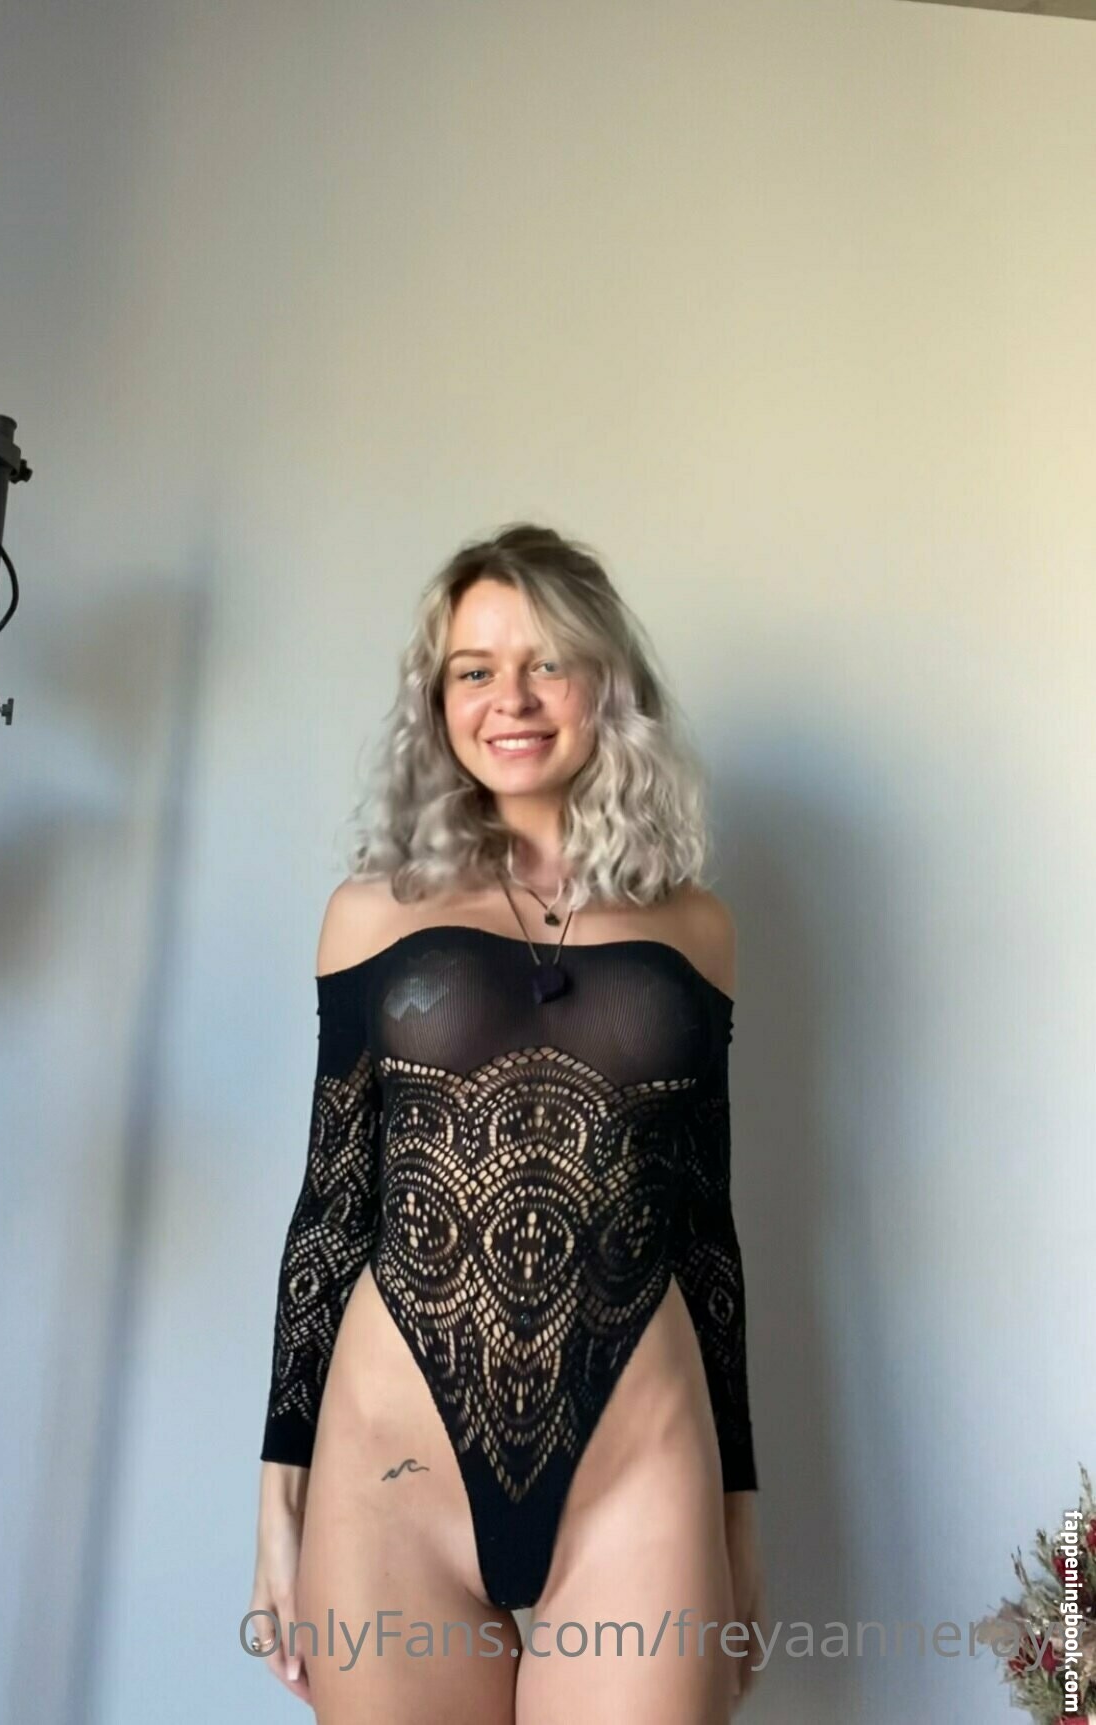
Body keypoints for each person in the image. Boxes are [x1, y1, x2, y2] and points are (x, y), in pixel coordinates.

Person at [246, 524, 767, 1723]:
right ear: (438, 702)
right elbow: (330, 1208)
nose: (510, 700)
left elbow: (704, 1227)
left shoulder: (696, 928)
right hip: (390, 1469)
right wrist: (278, 1507)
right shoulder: (371, 915)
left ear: (606, 684)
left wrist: (740, 1514)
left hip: (640, 1461)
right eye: (473, 670)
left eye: (546, 664)